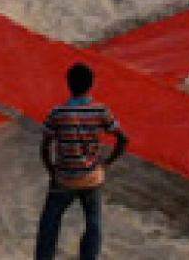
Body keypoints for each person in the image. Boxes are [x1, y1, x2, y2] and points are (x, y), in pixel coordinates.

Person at [35, 63, 128, 260]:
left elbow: (44, 147)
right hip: (92, 176)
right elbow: (123, 139)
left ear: (68, 84)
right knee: (93, 220)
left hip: (64, 178)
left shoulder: (58, 112)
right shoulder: (100, 111)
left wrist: (52, 170)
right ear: (91, 85)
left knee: (49, 222)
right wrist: (106, 163)